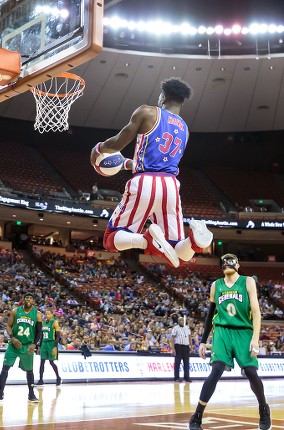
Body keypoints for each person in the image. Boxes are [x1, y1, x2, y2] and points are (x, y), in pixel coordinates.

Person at [90, 77, 213, 268]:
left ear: (163, 97)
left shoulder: (147, 112)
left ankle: (145, 240)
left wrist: (99, 149)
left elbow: (119, 142)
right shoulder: (185, 129)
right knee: (178, 255)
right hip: (171, 185)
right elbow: (160, 160)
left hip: (145, 181)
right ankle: (196, 242)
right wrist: (126, 164)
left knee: (110, 239)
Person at [188, 254, 271, 430]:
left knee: (250, 371)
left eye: (231, 261)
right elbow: (210, 314)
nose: (227, 263)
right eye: (224, 261)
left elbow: (256, 312)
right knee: (216, 369)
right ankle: (197, 416)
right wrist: (203, 341)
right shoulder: (215, 285)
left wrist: (255, 339)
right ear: (221, 266)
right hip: (222, 332)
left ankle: (264, 409)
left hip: (244, 331)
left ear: (238, 265)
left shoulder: (247, 281)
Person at [0, 292, 43, 403]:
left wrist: (34, 344)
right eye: (26, 298)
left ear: (33, 301)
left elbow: (39, 331)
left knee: (29, 371)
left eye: (30, 298)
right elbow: (8, 325)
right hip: (14, 345)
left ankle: (31, 394)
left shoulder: (38, 314)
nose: (28, 299)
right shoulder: (16, 311)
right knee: (5, 368)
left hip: (28, 346)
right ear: (23, 300)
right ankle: (0, 394)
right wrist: (12, 338)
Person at [37, 309, 62, 386]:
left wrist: (55, 346)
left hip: (51, 343)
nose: (46, 315)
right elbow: (41, 336)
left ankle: (58, 377)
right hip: (44, 343)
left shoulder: (54, 322)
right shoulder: (44, 323)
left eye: (48, 314)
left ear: (52, 315)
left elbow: (58, 336)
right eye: (46, 314)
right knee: (42, 362)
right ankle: (40, 379)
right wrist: (39, 346)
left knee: (51, 362)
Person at [170, 316, 192, 382]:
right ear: (178, 321)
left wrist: (191, 346)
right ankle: (176, 377)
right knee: (177, 363)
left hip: (186, 346)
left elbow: (189, 337)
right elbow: (172, 338)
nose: (181, 321)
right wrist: (173, 348)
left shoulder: (187, 328)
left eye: (182, 320)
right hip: (178, 346)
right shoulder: (175, 328)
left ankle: (187, 378)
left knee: (186, 363)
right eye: (180, 320)